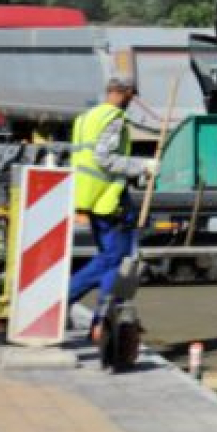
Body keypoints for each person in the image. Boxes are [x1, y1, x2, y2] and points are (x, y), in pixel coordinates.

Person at [67, 76, 154, 340]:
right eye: (132, 95)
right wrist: (143, 166)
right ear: (125, 93)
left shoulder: (87, 118)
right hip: (108, 200)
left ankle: (101, 322)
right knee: (113, 259)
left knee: (114, 261)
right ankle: (65, 300)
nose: (132, 101)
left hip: (89, 197)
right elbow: (105, 159)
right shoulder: (114, 118)